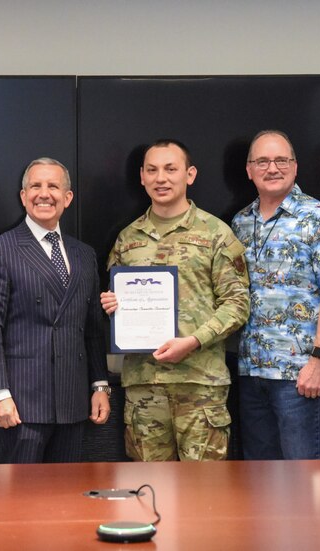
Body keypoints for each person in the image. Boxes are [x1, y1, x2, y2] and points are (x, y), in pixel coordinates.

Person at [100, 139, 249, 461]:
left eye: (171, 169)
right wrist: (112, 306)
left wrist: (194, 341)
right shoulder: (127, 239)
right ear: (142, 177)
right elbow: (115, 302)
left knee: (204, 495)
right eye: (152, 170)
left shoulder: (215, 233)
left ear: (190, 174)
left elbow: (237, 304)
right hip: (144, 385)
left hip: (200, 384)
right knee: (150, 493)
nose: (161, 178)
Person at [0, 158, 110, 463]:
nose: (44, 194)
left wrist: (100, 385)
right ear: (23, 196)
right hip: (21, 405)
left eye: (53, 186)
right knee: (18, 502)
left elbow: (91, 328)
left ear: (68, 197)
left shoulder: (84, 255)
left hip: (72, 402)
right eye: (35, 186)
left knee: (67, 501)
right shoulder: (0, 250)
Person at [232, 130, 320, 460]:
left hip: (299, 375)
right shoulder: (240, 223)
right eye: (262, 161)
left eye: (281, 160)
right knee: (259, 482)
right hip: (251, 372)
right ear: (249, 170)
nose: (272, 168)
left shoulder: (319, 217)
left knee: (306, 482)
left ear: (295, 167)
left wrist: (319, 361)